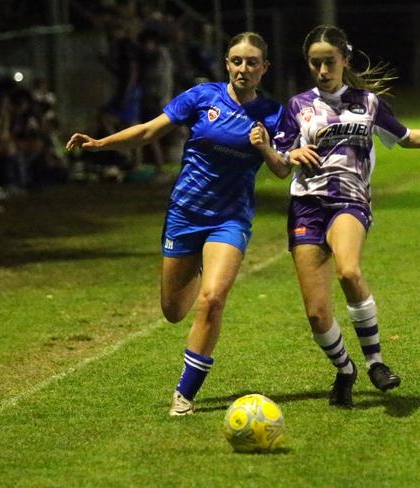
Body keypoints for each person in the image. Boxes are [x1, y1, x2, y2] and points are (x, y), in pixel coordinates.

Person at [250, 25, 420, 408]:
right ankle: (345, 370)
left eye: (329, 62)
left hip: (349, 199)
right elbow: (279, 166)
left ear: (344, 60)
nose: (322, 70)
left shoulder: (368, 102)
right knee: (316, 313)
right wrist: (280, 153)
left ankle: (375, 362)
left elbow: (405, 137)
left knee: (349, 271)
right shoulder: (297, 106)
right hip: (306, 205)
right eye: (315, 63)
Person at [66, 32, 287, 416]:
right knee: (173, 310)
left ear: (264, 68)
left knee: (212, 299)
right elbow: (150, 130)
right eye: (237, 61)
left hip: (230, 219)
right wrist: (101, 145)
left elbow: (283, 169)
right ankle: (200, 265)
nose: (244, 69)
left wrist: (266, 147)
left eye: (253, 62)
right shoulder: (201, 97)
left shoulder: (272, 113)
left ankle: (184, 395)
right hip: (185, 215)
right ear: (226, 63)